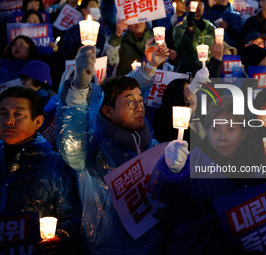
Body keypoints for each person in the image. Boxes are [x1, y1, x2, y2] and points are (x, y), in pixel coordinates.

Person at [55, 45, 168, 254]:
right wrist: (79, 89)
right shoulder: (92, 151)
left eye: (140, 101)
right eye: (130, 103)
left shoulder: (154, 147)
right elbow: (72, 135)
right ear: (107, 111)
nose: (139, 107)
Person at [149, 95, 266, 255]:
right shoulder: (190, 164)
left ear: (244, 133)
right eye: (216, 129)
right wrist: (170, 170)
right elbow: (163, 191)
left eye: (231, 129)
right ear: (207, 130)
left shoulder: (254, 173)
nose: (222, 138)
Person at [0, 86, 81, 255]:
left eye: (18, 114)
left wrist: (61, 238)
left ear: (38, 121)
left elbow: (72, 216)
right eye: (3, 113)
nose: (8, 120)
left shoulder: (54, 163)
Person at [173, 0, 215, 74]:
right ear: (187, 8)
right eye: (194, 4)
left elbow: (220, 42)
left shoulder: (210, 27)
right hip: (189, 70)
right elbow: (181, 48)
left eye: (200, 4)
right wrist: (189, 30)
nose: (198, 7)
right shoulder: (179, 28)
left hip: (210, 69)